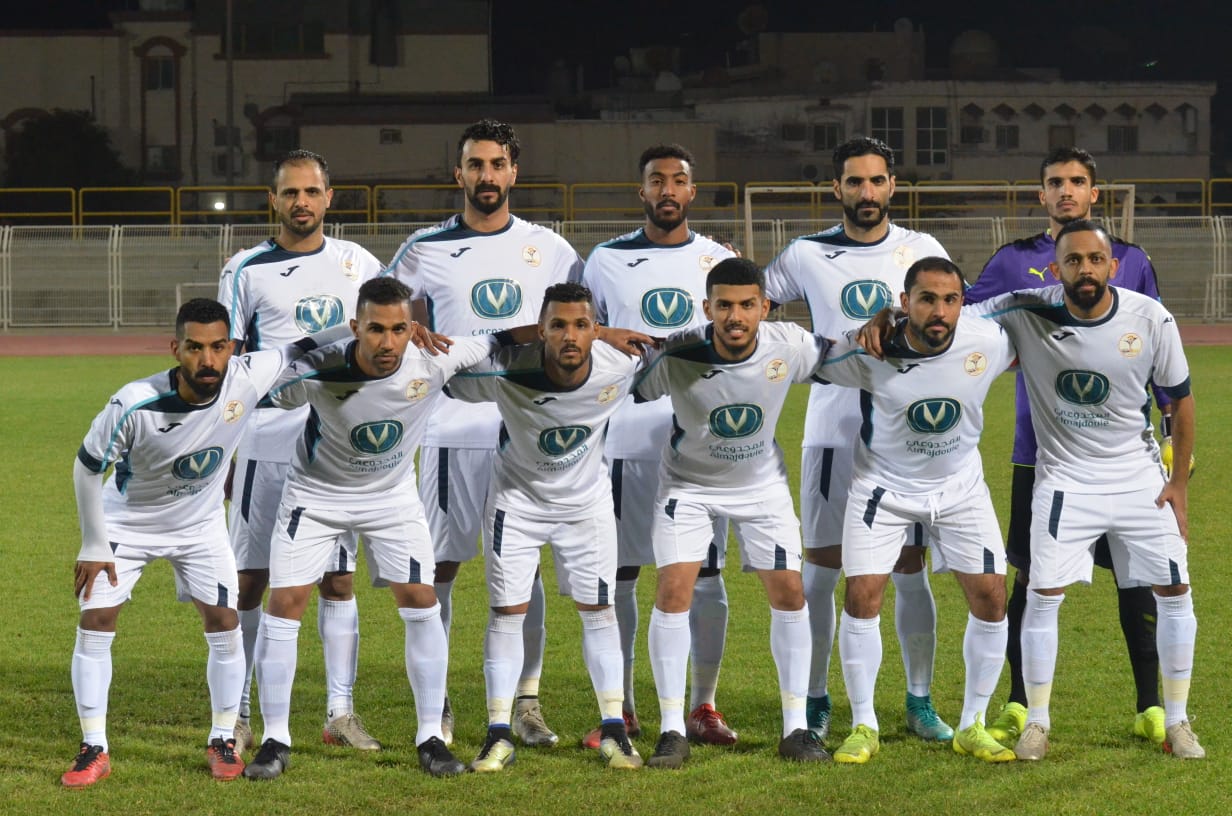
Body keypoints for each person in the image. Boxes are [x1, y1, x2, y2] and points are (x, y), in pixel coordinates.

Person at [63, 298, 350, 788]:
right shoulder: (134, 402)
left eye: (218, 347)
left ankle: (222, 738)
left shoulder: (247, 377)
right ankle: (94, 746)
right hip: (128, 523)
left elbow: (305, 346)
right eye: (195, 347)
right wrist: (94, 543)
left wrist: (367, 328)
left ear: (232, 348)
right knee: (97, 618)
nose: (208, 359)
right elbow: (88, 467)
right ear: (176, 349)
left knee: (224, 620)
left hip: (199, 526)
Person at [961, 220, 1201, 760]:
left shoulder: (1151, 317)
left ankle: (1177, 721)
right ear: (1057, 268)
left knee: (1175, 590)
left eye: (1095, 260)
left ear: (1112, 266)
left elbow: (1181, 400)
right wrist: (892, 317)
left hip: (1139, 479)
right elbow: (954, 315)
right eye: (1073, 261)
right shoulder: (1026, 308)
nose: (1085, 269)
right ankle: (1037, 722)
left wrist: (1178, 484)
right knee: (1043, 595)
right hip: (1065, 481)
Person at [242, 277, 492, 780]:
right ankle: (275, 739)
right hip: (315, 497)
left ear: (413, 329)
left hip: (391, 499)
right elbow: (257, 382)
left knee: (421, 599)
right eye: (375, 329)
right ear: (355, 327)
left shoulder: (433, 360)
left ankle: (430, 736)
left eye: (399, 329)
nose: (387, 342)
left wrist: (599, 333)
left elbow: (499, 339)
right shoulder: (320, 369)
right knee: (285, 603)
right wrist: (324, 338)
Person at [384, 119, 584, 747]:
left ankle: (526, 701)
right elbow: (383, 314)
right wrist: (408, 327)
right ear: (459, 173)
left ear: (514, 172)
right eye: (476, 164)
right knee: (438, 567)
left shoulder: (550, 248)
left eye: (498, 164)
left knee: (525, 571)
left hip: (528, 433)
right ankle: (438, 703)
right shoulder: (423, 248)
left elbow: (582, 324)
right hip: (450, 429)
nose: (487, 175)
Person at [763, 136, 953, 743]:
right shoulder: (806, 253)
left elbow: (950, 319)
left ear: (892, 185)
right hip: (832, 430)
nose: (866, 192)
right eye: (854, 181)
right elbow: (752, 303)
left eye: (876, 180)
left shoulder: (922, 249)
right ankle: (818, 698)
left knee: (909, 567)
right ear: (836, 188)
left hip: (905, 435)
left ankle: (919, 700)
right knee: (823, 568)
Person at [218, 149, 384, 755]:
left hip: (334, 443)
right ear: (274, 200)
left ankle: (340, 711)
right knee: (250, 578)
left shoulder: (358, 263)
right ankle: (237, 714)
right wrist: (224, 450)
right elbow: (229, 367)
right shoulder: (245, 269)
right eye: (290, 192)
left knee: (337, 578)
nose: (301, 202)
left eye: (312, 192)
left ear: (328, 198)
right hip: (265, 438)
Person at [817, 258, 1015, 764]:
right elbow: (805, 358)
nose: (940, 311)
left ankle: (972, 723)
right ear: (905, 302)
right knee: (863, 596)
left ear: (962, 303)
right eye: (927, 299)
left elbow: (1037, 317)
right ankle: (864, 725)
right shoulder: (870, 350)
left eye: (951, 300)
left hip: (960, 488)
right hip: (882, 489)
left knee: (992, 596)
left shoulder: (988, 341)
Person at [446, 282, 650, 771]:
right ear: (540, 330)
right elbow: (449, 375)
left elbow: (678, 355)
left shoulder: (621, 366)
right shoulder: (507, 369)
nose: (570, 336)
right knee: (506, 614)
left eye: (581, 325)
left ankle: (615, 730)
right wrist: (504, 336)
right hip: (517, 506)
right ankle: (498, 734)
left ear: (596, 330)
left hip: (586, 507)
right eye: (558, 325)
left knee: (599, 612)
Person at [637, 257, 831, 768]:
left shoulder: (789, 344)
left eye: (747, 305)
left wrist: (886, 328)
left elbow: (842, 354)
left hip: (761, 486)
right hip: (688, 485)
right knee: (674, 590)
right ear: (707, 308)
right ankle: (672, 729)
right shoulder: (678, 352)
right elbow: (627, 381)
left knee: (789, 591)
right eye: (724, 305)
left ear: (765, 307)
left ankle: (796, 728)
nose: (735, 316)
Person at [578, 143, 737, 748]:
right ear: (640, 191)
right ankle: (621, 709)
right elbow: (573, 328)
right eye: (656, 180)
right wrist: (600, 330)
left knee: (706, 576)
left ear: (693, 191)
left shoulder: (720, 260)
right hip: (625, 437)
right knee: (620, 574)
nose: (667, 190)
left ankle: (703, 705)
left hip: (704, 442)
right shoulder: (606, 260)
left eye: (678, 180)